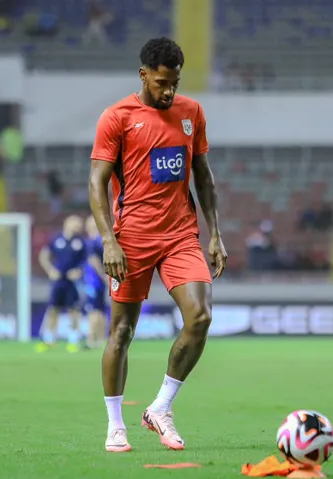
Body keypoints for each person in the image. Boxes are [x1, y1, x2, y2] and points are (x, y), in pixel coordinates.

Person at [89, 37, 227, 453]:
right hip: (131, 239)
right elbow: (96, 183)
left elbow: (202, 175)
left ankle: (160, 407)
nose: (169, 91)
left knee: (200, 317)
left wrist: (215, 232)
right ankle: (115, 424)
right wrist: (108, 240)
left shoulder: (191, 113)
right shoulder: (117, 118)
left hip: (181, 236)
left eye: (175, 83)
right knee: (122, 331)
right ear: (144, 75)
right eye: (162, 82)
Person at [36, 214, 88, 353]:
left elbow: (86, 262)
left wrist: (78, 271)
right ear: (67, 223)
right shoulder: (56, 239)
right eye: (75, 223)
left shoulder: (81, 242)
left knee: (74, 311)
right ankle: (48, 340)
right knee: (53, 310)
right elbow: (44, 256)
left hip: (72, 282)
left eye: (79, 224)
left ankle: (73, 341)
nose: (78, 226)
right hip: (58, 281)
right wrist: (50, 270)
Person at [83, 215, 108, 348]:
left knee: (93, 310)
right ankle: (100, 339)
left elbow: (94, 261)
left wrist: (103, 276)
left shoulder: (92, 242)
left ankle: (91, 339)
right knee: (100, 310)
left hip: (93, 281)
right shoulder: (100, 241)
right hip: (98, 282)